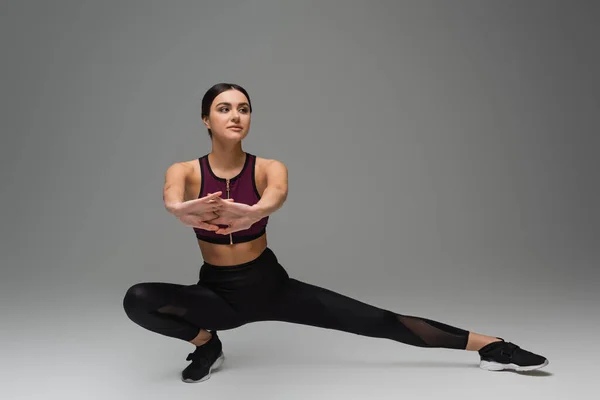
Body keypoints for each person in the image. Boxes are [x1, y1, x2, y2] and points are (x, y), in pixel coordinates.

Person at [123, 83, 549, 383]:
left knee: (379, 321)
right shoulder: (183, 171)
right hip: (219, 297)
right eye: (224, 108)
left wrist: (249, 212)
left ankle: (492, 346)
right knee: (139, 299)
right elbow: (172, 201)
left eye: (244, 108)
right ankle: (206, 344)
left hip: (271, 286)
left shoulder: (270, 167)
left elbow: (276, 198)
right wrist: (182, 211)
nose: (236, 115)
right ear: (205, 118)